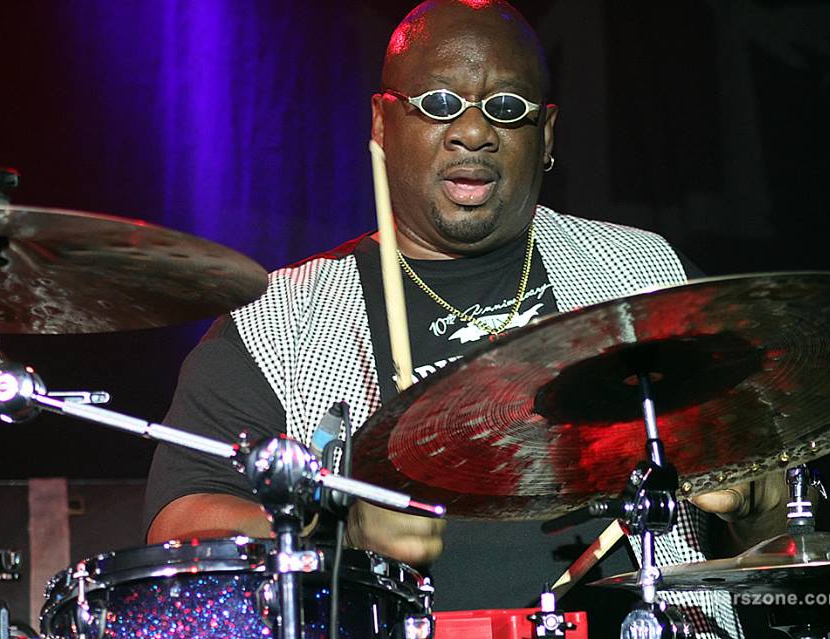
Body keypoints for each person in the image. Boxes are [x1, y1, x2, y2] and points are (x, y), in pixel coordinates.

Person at [144, 2, 784, 637]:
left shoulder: (647, 275)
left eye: (505, 107)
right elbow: (181, 524)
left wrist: (761, 507)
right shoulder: (280, 317)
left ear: (547, 135)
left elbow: (786, 550)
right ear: (382, 123)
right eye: (439, 103)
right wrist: (337, 527)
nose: (473, 132)